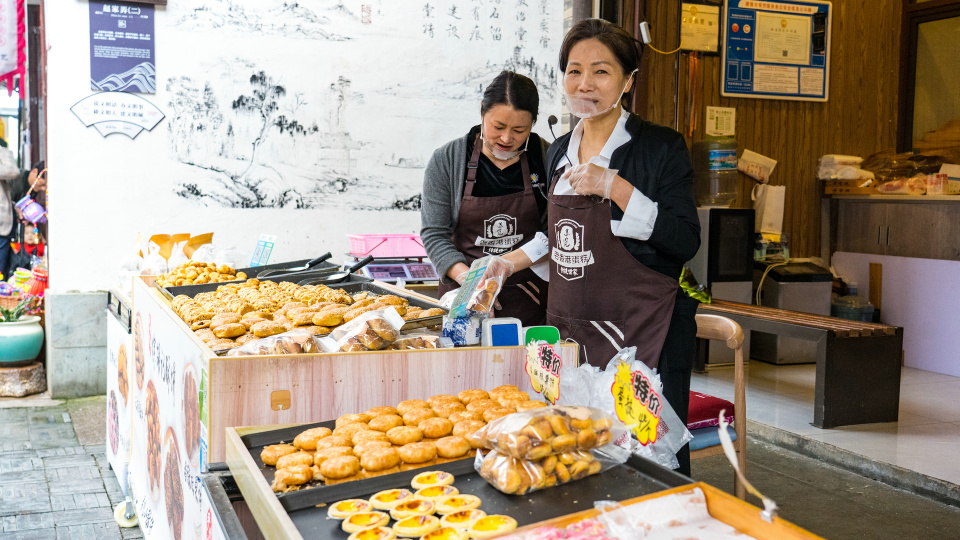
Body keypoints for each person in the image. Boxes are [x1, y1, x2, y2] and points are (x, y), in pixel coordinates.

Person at [497, 19, 701, 474]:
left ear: (628, 81)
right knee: (570, 453)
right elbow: (558, 235)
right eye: (574, 71)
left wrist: (617, 187)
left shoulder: (660, 148)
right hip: (570, 333)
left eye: (601, 71)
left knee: (645, 461)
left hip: (642, 335)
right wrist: (506, 264)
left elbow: (685, 239)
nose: (584, 83)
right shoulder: (557, 151)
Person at [421, 70, 550, 326]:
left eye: (519, 130)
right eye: (498, 127)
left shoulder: (547, 157)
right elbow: (434, 234)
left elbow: (556, 231)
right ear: (482, 111)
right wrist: (472, 283)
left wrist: (506, 265)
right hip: (463, 296)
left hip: (528, 296)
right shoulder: (447, 160)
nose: (506, 138)